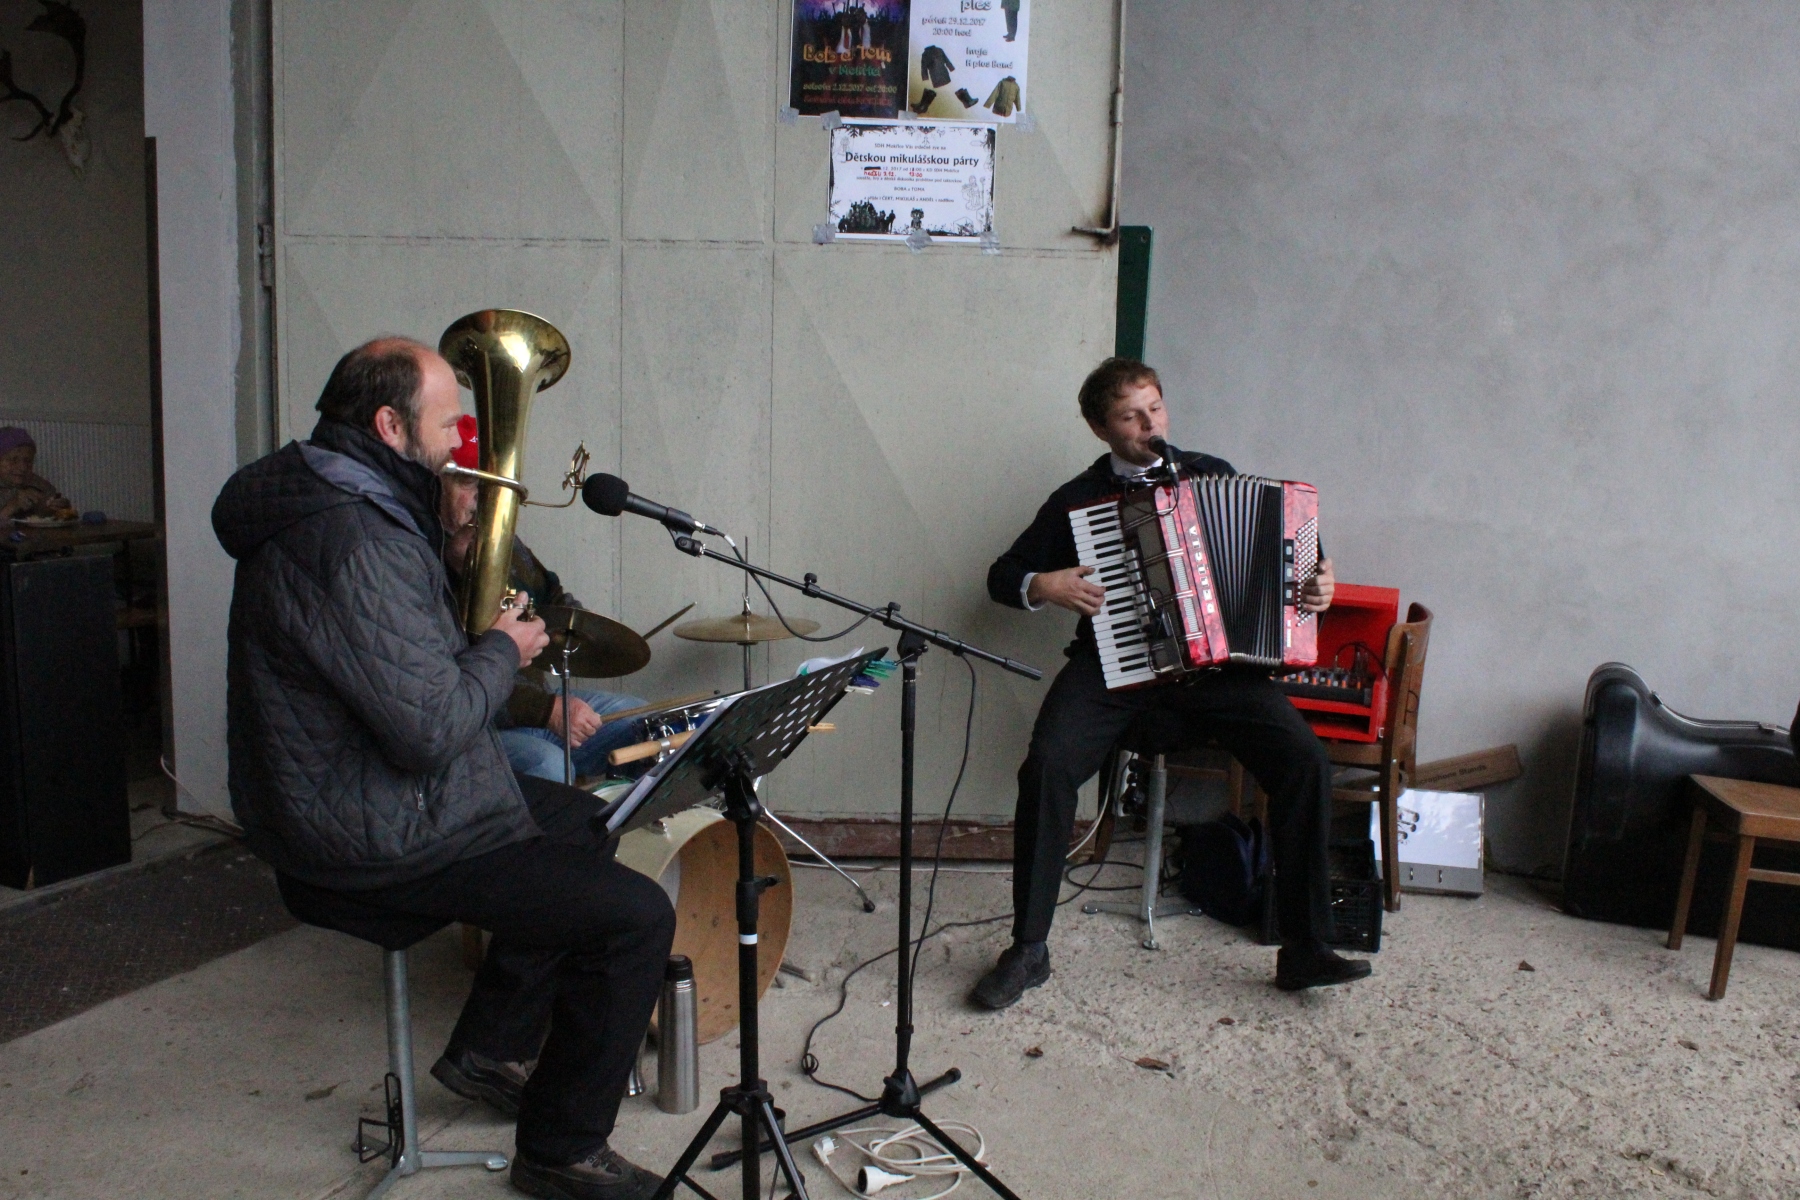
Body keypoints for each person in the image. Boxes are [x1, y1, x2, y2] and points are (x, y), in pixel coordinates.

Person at [212, 337, 675, 1200]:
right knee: (636, 918)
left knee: (588, 820)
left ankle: (490, 1046)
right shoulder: (357, 540)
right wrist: (502, 647)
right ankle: (562, 1150)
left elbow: (407, 682)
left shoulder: (349, 505)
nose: (465, 436)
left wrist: (462, 585)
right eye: (448, 421)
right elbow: (429, 731)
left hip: (362, 794)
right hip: (360, 830)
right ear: (390, 426)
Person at [972, 356, 1371, 1009]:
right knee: (1046, 766)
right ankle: (1028, 949)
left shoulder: (1211, 473)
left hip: (1218, 672)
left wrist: (1317, 584)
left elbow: (1294, 556)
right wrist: (1043, 584)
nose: (1149, 424)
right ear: (1101, 428)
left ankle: (1304, 946)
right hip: (1117, 665)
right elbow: (1001, 576)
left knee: (1304, 761)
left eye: (1154, 408)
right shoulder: (1077, 499)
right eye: (1130, 416)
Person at [440, 419, 649, 782]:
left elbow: (551, 596)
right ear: (437, 484)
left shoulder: (504, 541)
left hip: (537, 708)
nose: (482, 499)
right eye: (469, 483)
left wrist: (581, 626)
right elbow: (446, 692)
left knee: (644, 722)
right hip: (479, 728)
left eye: (489, 486)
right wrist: (549, 710)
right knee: (549, 764)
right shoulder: (419, 558)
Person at [0, 427, 76, 521]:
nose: (23, 467)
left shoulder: (39, 485)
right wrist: (11, 507)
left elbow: (52, 517)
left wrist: (58, 510)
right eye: (13, 460)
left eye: (28, 461)